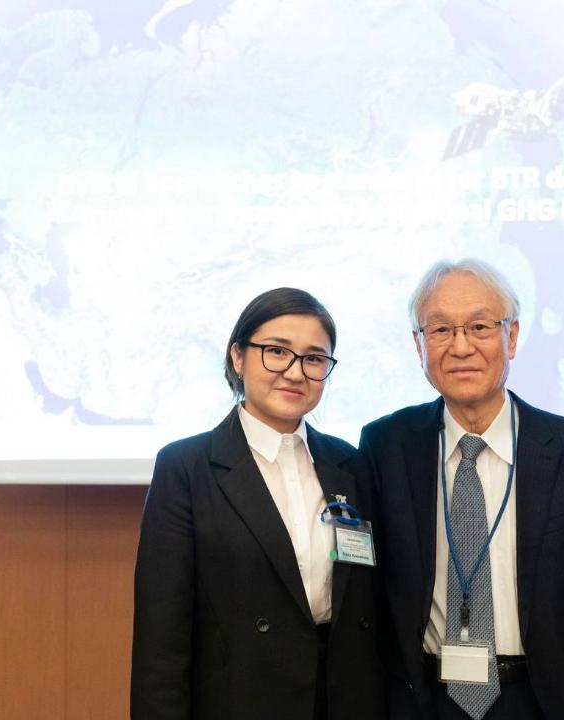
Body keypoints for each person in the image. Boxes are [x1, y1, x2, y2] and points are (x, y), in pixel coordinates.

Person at [359, 259, 564, 720]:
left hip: (542, 701)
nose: (461, 346)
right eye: (440, 330)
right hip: (422, 700)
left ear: (513, 336)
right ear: (418, 345)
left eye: (480, 327)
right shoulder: (385, 446)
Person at [132, 288, 385, 720]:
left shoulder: (349, 463)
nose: (295, 372)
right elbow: (162, 635)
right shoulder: (187, 467)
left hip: (342, 697)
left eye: (314, 358)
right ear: (238, 357)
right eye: (277, 352)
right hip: (241, 697)